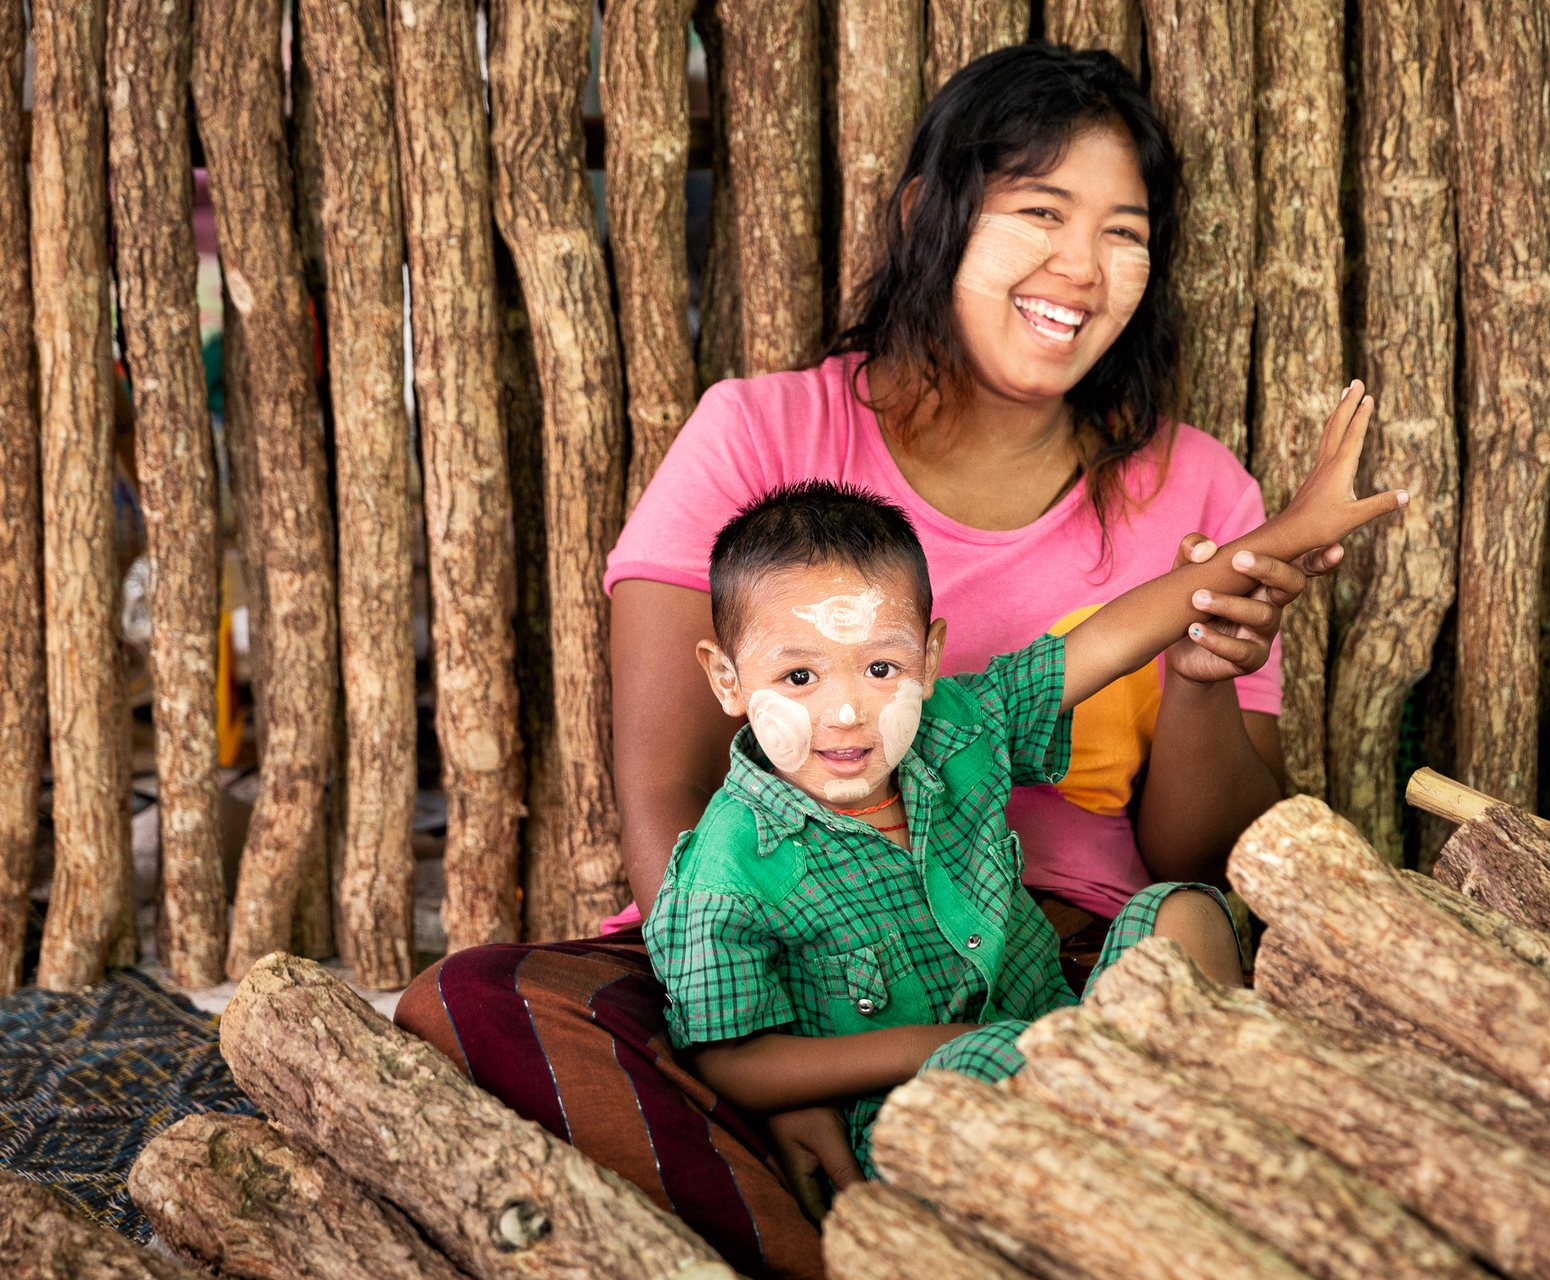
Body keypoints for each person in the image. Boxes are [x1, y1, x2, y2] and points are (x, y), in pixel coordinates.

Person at [395, 42, 1379, 1280]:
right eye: (1038, 211)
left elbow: (1211, 858)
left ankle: (883, 1212)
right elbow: (667, 794)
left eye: (1122, 231)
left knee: (1186, 952)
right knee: (480, 1003)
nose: (1079, 265)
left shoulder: (1196, 486)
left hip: (1055, 957)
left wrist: (1197, 679)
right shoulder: (757, 436)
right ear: (933, 213)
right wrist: (750, 1032)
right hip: (774, 957)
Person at [650, 404, 1402, 1177]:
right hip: (940, 1111)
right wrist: (939, 1047)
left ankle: (1210, 1137)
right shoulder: (728, 862)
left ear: (930, 655)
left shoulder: (957, 729)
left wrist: (1286, 535)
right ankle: (1179, 1150)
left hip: (1069, 1031)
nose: (846, 713)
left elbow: (1111, 638)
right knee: (1001, 1074)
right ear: (728, 679)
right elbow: (730, 1060)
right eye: (798, 676)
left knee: (1181, 911)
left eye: (881, 669)